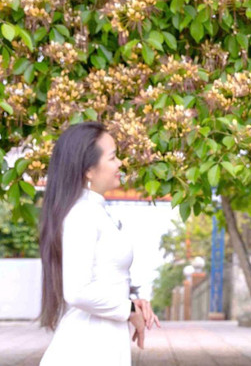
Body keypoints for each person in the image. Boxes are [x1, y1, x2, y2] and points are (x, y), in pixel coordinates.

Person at [38, 122, 160, 366]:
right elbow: (78, 291)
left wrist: (131, 305)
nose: (120, 164)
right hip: (87, 347)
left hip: (101, 340)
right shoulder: (82, 214)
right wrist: (129, 311)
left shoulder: (94, 210)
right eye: (113, 157)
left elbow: (104, 281)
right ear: (88, 170)